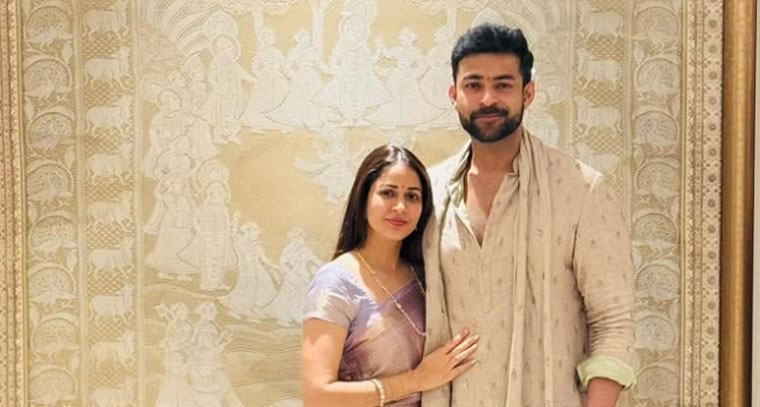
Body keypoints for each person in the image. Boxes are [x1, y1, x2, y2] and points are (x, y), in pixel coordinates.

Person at [421, 24, 636, 407]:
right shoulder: (428, 193)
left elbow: (613, 322)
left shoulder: (580, 189)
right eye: (473, 85)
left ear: (528, 93)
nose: (488, 98)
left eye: (503, 85)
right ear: (454, 95)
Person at [301, 145, 479, 407]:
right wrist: (416, 380)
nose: (400, 206)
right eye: (388, 193)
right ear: (363, 199)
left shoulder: (424, 275)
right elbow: (317, 395)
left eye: (412, 196)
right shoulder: (336, 283)